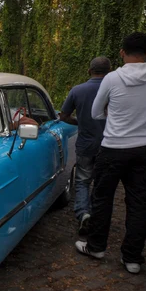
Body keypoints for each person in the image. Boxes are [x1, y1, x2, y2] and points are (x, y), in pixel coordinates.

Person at [75, 32, 146, 274]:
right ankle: (132, 259)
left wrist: (115, 116)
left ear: (122, 53)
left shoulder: (112, 78)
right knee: (138, 204)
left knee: (102, 199)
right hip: (144, 149)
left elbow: (96, 113)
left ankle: (96, 247)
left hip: (113, 148)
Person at [59, 57, 111, 236]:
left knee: (82, 181)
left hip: (85, 145)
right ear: (109, 72)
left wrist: (79, 121)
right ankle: (98, 217)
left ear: (89, 71)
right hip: (109, 145)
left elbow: (63, 116)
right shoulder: (115, 90)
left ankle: (83, 214)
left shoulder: (77, 90)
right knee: (102, 183)